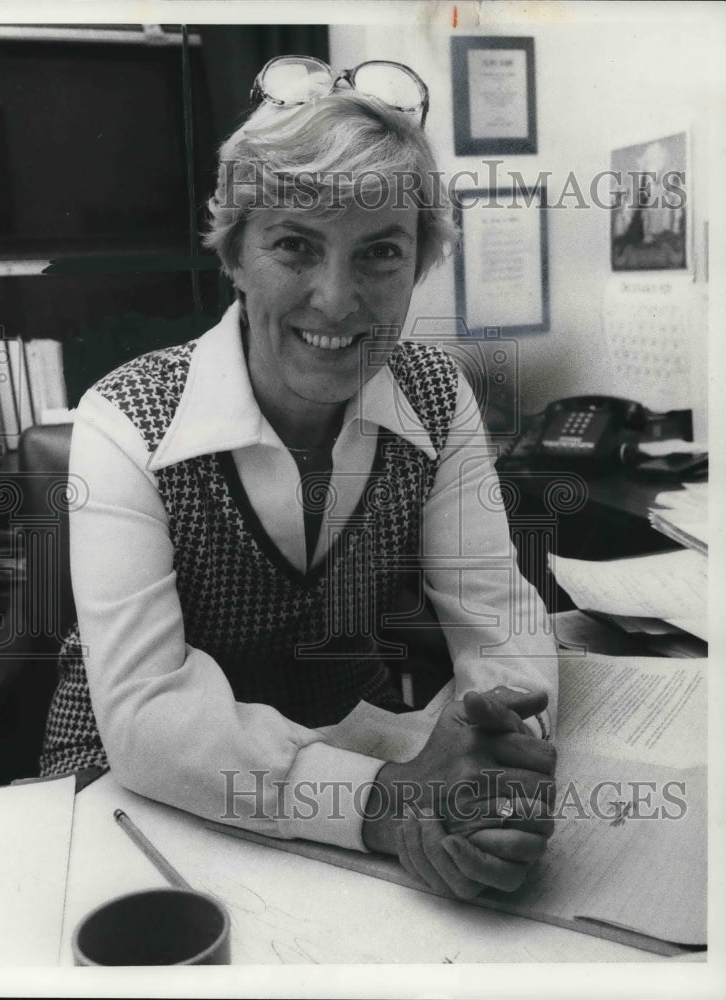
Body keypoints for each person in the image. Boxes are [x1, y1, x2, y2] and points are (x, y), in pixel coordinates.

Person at [41, 56, 558, 900]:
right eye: (294, 245)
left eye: (379, 255)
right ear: (234, 255)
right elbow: (145, 719)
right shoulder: (125, 414)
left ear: (419, 265)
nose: (336, 299)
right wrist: (387, 804)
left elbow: (496, 614)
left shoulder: (435, 395)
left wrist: (495, 764)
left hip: (346, 753)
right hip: (127, 786)